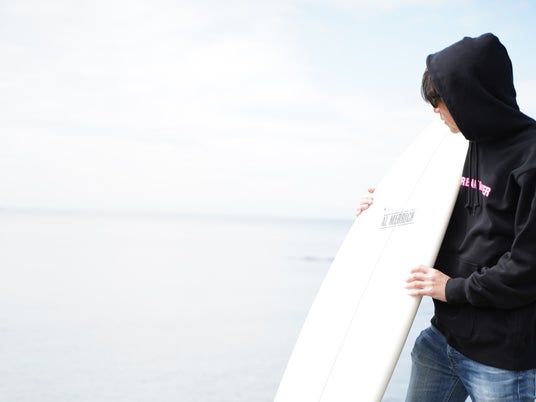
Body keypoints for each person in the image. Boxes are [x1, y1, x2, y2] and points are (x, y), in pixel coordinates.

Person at [357, 33, 536, 401]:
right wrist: (381, 209)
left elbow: (528, 268)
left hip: (502, 358)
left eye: (440, 100)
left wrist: (452, 289)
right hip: (443, 339)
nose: (435, 111)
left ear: (470, 97)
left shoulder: (529, 158)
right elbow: (428, 217)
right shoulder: (460, 147)